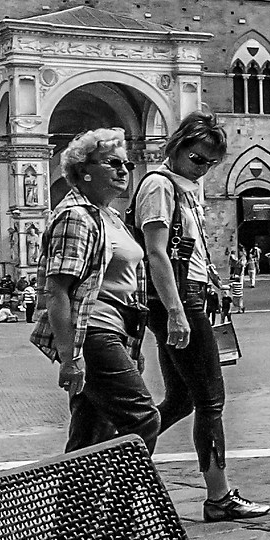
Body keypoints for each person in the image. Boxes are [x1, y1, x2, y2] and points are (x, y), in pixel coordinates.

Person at [137, 113, 265, 523]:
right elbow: (156, 252)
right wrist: (176, 311)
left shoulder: (183, 187)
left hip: (187, 296)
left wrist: (213, 284)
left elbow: (188, 251)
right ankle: (219, 497)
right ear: (175, 146)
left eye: (211, 163)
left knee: (182, 398)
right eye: (197, 158)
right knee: (211, 399)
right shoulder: (159, 185)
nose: (203, 168)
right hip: (176, 300)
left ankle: (122, 453)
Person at [40, 128, 162, 455]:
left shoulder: (108, 216)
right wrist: (70, 358)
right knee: (143, 419)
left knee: (92, 433)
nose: (123, 170)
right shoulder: (75, 216)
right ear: (84, 172)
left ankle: (75, 506)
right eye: (112, 163)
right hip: (94, 331)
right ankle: (123, 502)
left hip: (116, 330)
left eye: (126, 164)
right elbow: (56, 291)